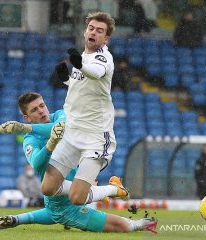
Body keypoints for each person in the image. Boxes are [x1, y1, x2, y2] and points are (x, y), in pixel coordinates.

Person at [0, 91, 157, 233]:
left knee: (63, 206)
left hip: (72, 189)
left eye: (42, 106)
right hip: (62, 202)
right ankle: (120, 198)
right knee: (123, 227)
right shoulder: (30, 140)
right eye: (34, 110)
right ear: (27, 117)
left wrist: (29, 129)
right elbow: (38, 165)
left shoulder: (60, 116)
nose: (41, 111)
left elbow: (60, 129)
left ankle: (14, 220)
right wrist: (50, 145)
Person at [41, 12, 126, 206]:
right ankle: (88, 186)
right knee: (47, 189)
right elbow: (83, 86)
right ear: (85, 31)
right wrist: (66, 79)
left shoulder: (104, 58)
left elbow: (96, 74)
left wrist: (79, 64)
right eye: (91, 28)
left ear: (106, 38)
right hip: (72, 133)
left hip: (95, 137)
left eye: (100, 31)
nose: (94, 32)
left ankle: (114, 189)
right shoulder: (84, 57)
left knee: (77, 198)